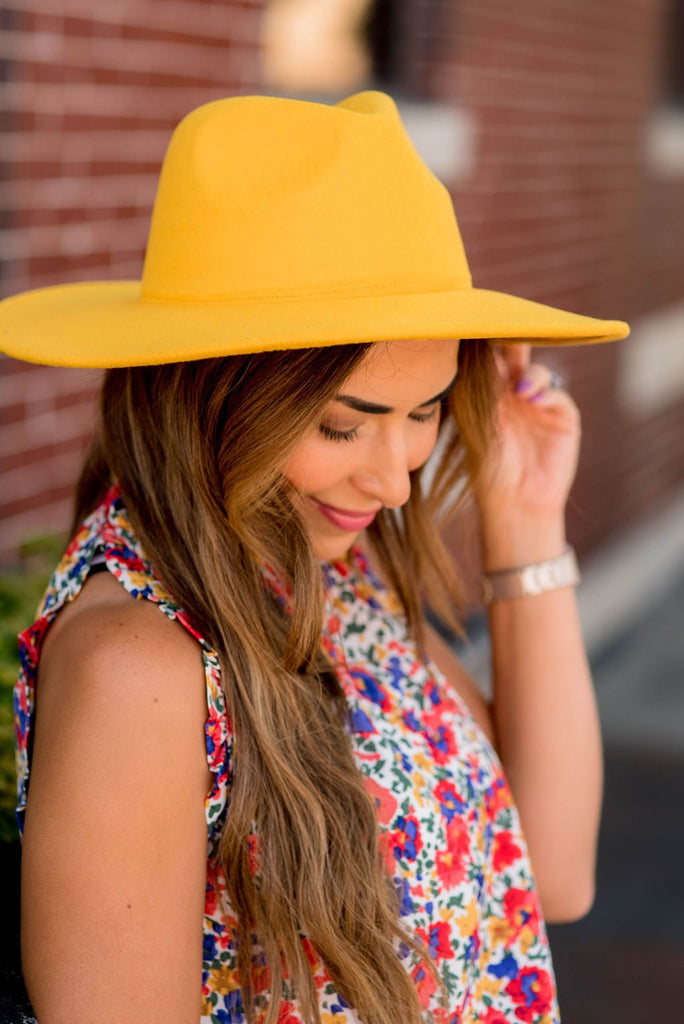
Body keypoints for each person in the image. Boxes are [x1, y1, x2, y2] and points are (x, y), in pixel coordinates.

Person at [2, 91, 629, 1024]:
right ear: (206, 391)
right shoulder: (140, 669)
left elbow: (553, 869)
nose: (396, 483)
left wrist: (528, 521)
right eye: (342, 424)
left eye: (425, 412)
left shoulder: (333, 565)